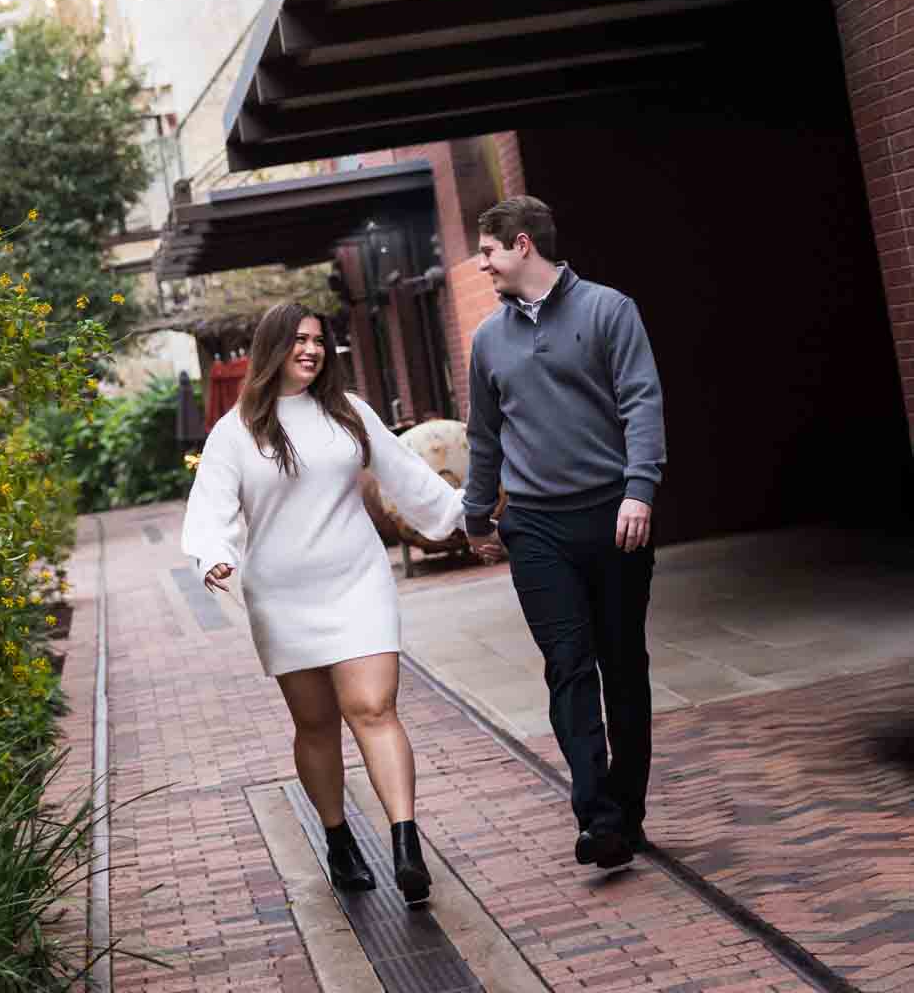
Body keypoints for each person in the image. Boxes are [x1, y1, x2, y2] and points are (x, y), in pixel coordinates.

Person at [182, 299, 464, 905]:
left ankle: (406, 845)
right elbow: (210, 512)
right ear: (272, 350)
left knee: (373, 707)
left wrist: (464, 523)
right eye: (297, 340)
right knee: (315, 725)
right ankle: (338, 839)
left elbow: (408, 477)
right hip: (283, 596)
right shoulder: (236, 432)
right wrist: (213, 557)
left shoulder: (349, 413)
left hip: (357, 581)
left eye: (317, 340)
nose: (309, 350)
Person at [462, 196, 666, 873]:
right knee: (567, 667)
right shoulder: (487, 339)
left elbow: (641, 399)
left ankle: (626, 809)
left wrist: (639, 489)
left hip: (612, 517)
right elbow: (484, 434)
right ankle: (596, 818)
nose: (480, 262)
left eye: (487, 250)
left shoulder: (609, 310)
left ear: (522, 245)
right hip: (536, 527)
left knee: (621, 666)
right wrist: (473, 513)